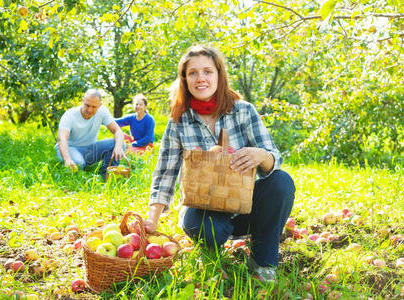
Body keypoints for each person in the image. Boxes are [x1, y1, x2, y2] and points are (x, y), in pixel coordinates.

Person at [144, 45, 295, 282]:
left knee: (282, 182)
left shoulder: (243, 111)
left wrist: (260, 156)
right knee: (203, 225)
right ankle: (211, 252)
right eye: (192, 73)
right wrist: (152, 218)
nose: (200, 78)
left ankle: (262, 259)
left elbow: (274, 158)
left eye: (207, 71)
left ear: (218, 74)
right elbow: (166, 172)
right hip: (204, 212)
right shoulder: (179, 121)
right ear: (184, 79)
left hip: (245, 206)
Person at [55, 89, 125, 178]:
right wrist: (67, 159)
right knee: (79, 163)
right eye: (87, 105)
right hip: (69, 149)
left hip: (89, 150)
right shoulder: (70, 115)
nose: (89, 110)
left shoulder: (102, 111)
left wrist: (118, 147)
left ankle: (105, 176)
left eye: (94, 107)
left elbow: (117, 131)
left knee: (120, 144)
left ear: (99, 106)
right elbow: (62, 139)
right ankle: (75, 171)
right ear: (82, 101)